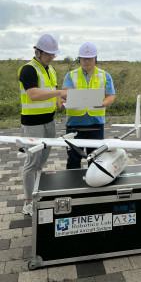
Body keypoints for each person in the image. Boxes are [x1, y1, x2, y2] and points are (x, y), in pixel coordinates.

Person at [19, 34, 67, 216]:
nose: (51, 57)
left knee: (42, 161)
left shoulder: (50, 69)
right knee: (32, 162)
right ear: (37, 51)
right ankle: (28, 202)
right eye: (48, 54)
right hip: (32, 124)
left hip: (49, 121)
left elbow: (52, 92)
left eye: (53, 54)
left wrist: (59, 100)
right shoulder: (28, 70)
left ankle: (36, 195)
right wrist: (59, 92)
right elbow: (33, 95)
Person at [62, 42, 115, 169]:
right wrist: (65, 97)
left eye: (90, 58)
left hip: (96, 124)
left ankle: (94, 185)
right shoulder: (70, 75)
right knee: (73, 158)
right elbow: (67, 93)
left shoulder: (105, 75)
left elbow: (110, 96)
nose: (87, 61)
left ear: (95, 59)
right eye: (84, 58)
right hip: (74, 124)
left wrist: (102, 104)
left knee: (96, 159)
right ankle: (73, 185)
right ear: (79, 59)